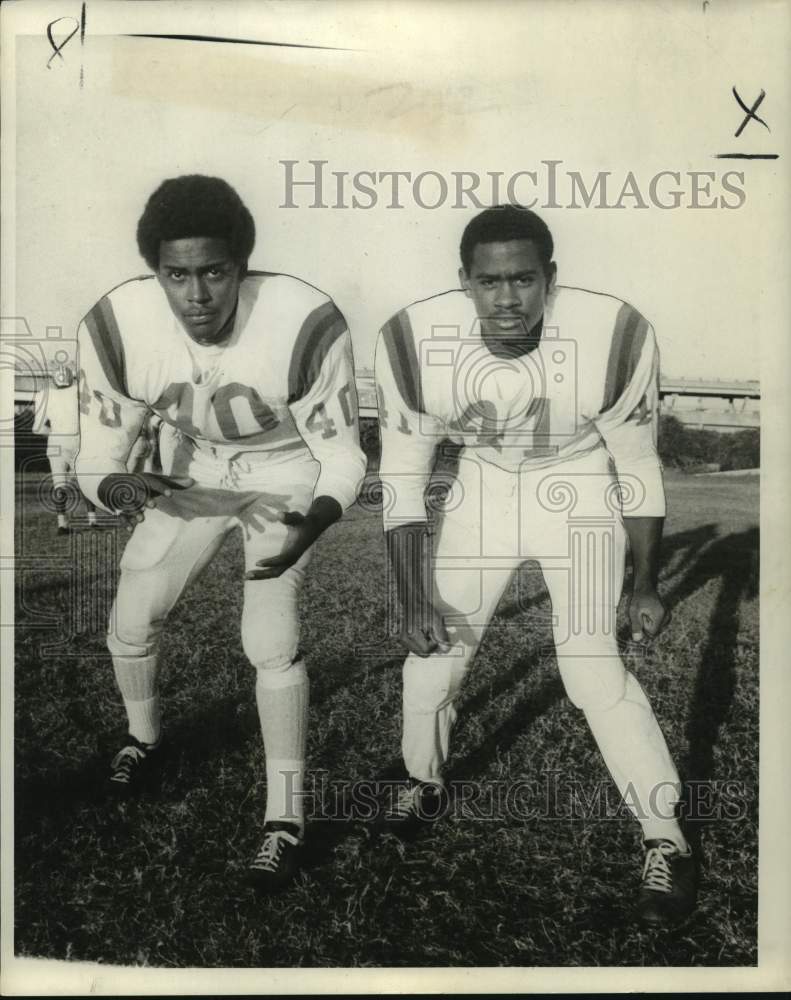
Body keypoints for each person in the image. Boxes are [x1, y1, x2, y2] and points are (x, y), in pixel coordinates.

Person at [374, 205, 696, 927]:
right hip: (483, 487)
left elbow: (636, 462)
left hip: (576, 486)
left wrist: (644, 583)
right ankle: (421, 781)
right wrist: (409, 596)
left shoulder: (611, 333)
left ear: (550, 279)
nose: (507, 298)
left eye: (523, 279)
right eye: (489, 282)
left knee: (590, 664)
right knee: (432, 660)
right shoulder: (413, 341)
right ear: (464, 282)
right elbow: (401, 477)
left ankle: (665, 838)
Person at [75, 174, 366, 890]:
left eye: (214, 272)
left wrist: (315, 521)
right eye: (177, 275)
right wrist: (123, 488)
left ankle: (285, 815)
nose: (197, 296)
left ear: (242, 265)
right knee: (131, 620)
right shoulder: (115, 327)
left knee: (267, 636)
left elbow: (342, 454)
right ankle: (142, 740)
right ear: (156, 273)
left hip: (284, 471)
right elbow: (96, 462)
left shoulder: (301, 319)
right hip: (194, 473)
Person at [33, 364, 98, 534]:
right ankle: (93, 521)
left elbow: (37, 428)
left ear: (54, 380)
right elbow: (92, 417)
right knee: (86, 483)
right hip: (78, 441)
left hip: (56, 443)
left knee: (59, 485)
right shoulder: (79, 392)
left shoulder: (44, 395)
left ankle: (62, 525)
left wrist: (56, 434)